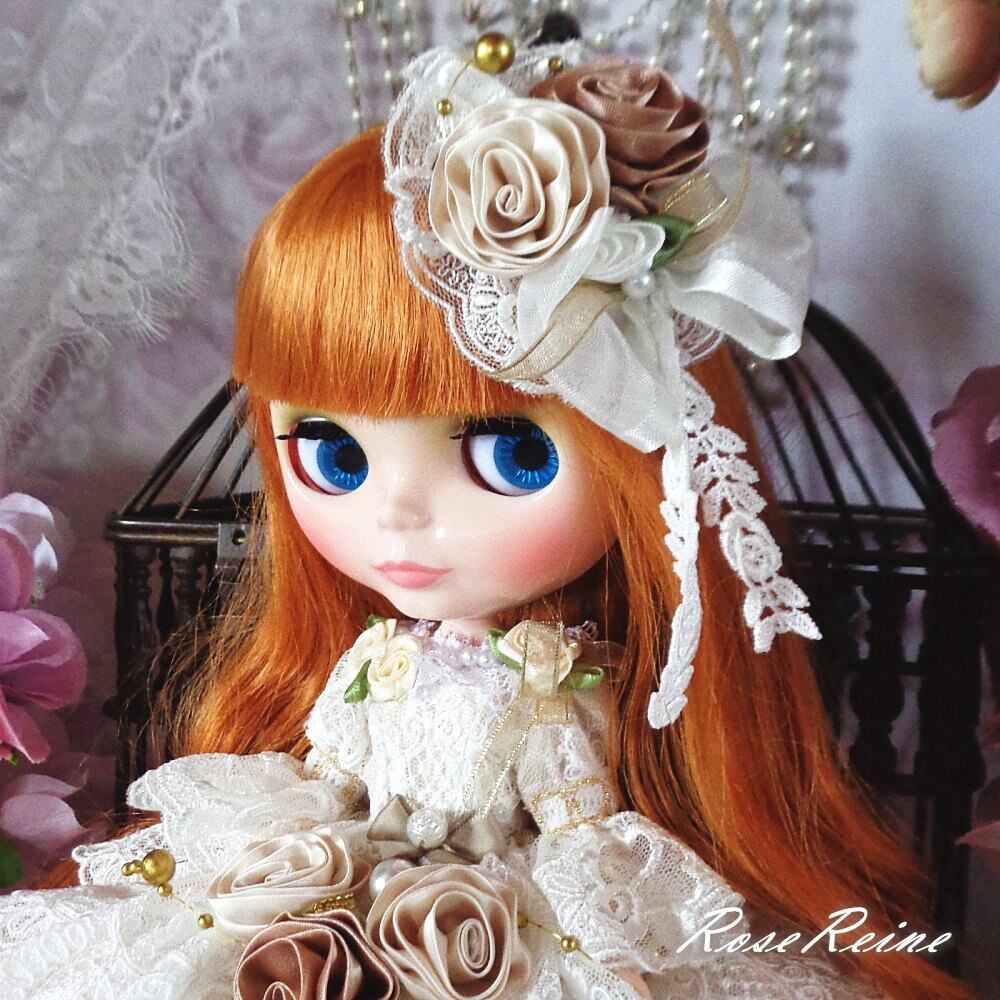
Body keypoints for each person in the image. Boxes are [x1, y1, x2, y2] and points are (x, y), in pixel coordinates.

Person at [0, 34, 970, 1000]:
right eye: (334, 454)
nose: (397, 512)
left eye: (511, 456)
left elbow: (576, 817)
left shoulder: (552, 684)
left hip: (502, 919)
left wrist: (608, 934)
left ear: (642, 462)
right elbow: (330, 771)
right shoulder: (372, 661)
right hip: (347, 886)